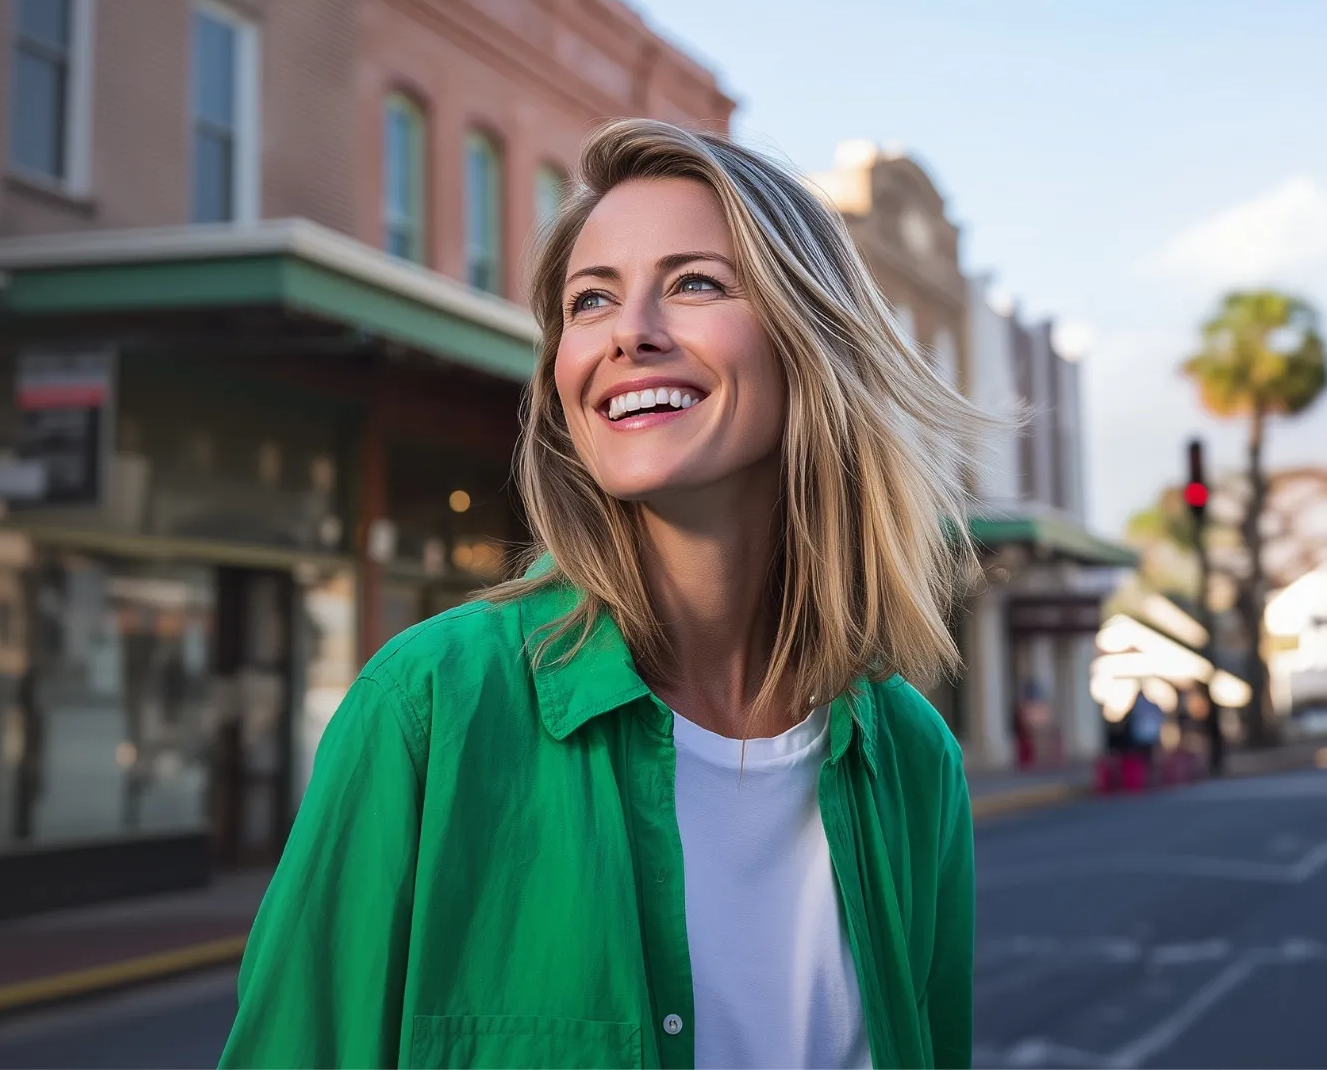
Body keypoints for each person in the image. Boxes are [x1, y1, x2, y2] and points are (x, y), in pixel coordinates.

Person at [220, 120, 984, 1070]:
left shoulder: (912, 759)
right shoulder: (430, 709)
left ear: (811, 343)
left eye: (696, 282)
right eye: (591, 301)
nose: (629, 333)